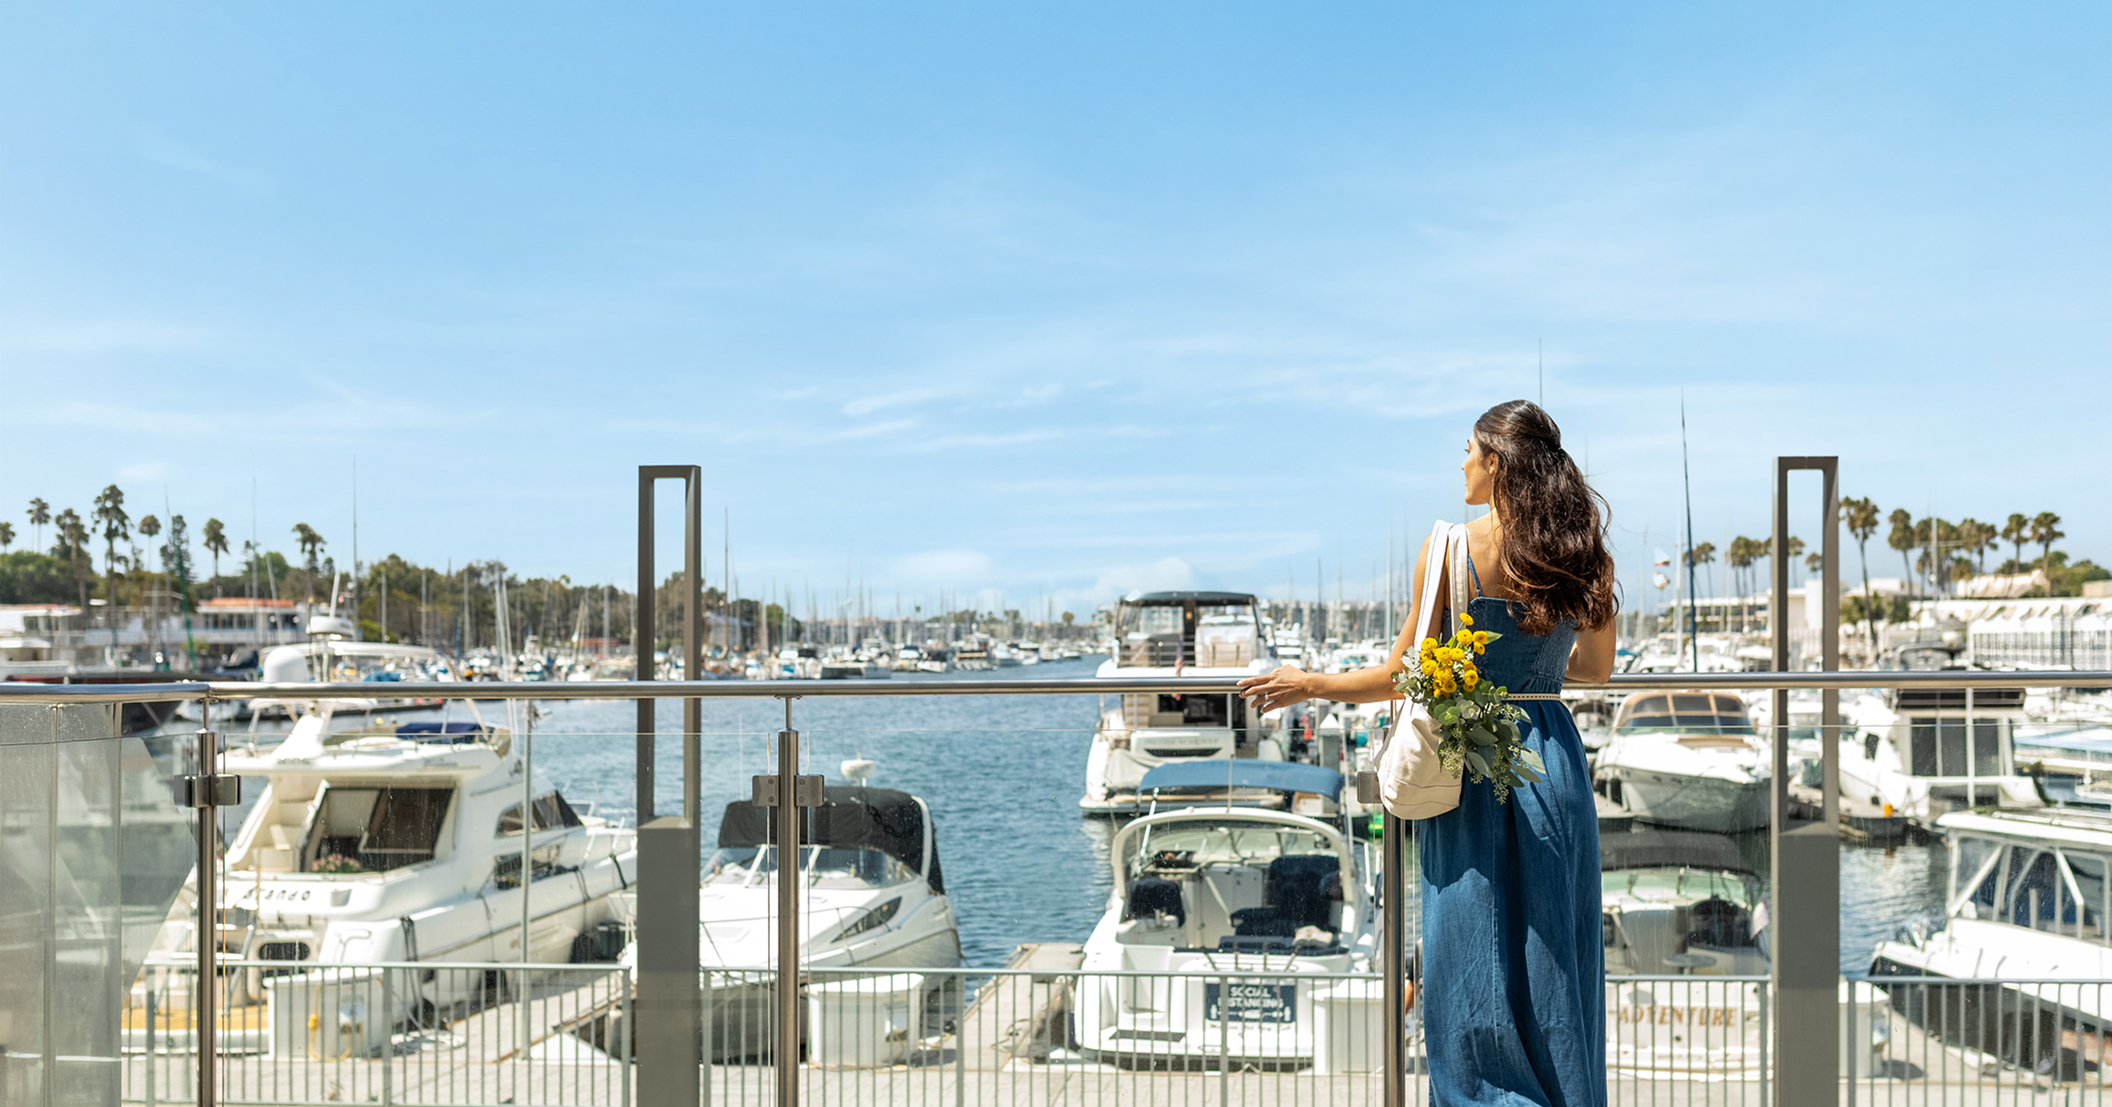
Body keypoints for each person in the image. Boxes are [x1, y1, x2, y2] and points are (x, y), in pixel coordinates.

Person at [1239, 399, 1616, 1106]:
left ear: (1498, 463)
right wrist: (1530, 669)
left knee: (1469, 956)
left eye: (1470, 451)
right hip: (1553, 762)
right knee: (1555, 958)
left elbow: (1400, 674)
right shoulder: (1579, 548)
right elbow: (1595, 668)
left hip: (1470, 763)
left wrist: (1311, 681)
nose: (1462, 463)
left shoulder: (1449, 548)